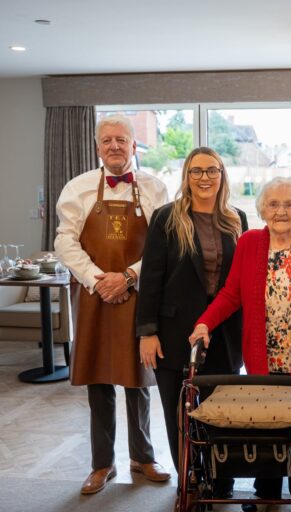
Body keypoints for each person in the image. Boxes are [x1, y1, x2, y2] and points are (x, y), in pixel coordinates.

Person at [188, 176, 291, 510]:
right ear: (262, 209)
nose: (281, 211)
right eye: (274, 204)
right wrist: (205, 322)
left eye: (289, 204)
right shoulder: (248, 243)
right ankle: (267, 493)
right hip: (263, 353)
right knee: (265, 421)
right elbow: (232, 294)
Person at [54, 114, 170, 494]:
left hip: (139, 293)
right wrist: (97, 279)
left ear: (134, 146)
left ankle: (144, 457)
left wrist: (129, 277)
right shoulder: (78, 188)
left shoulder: (155, 188)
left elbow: (161, 245)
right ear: (97, 146)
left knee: (139, 377)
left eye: (121, 139)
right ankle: (102, 464)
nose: (114, 146)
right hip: (93, 295)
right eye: (107, 140)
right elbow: (65, 241)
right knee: (98, 378)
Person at [135, 147, 247, 496]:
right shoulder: (167, 218)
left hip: (225, 334)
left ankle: (222, 481)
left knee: (223, 413)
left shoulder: (237, 218)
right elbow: (150, 278)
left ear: (222, 174)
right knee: (178, 416)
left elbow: (244, 279)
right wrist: (147, 332)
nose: (204, 178)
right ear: (186, 176)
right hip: (173, 333)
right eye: (196, 171)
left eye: (211, 170)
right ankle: (190, 479)